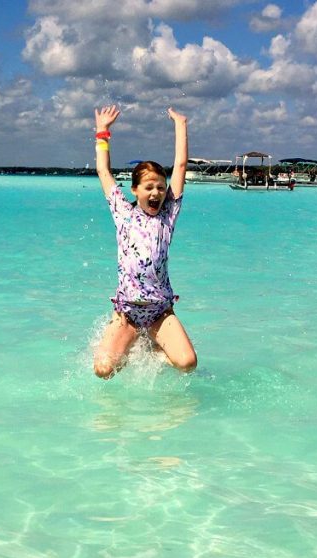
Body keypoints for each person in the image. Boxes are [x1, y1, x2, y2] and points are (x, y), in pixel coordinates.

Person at [91, 104, 197, 379]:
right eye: (149, 187)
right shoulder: (122, 213)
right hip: (127, 313)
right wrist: (102, 132)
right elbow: (103, 172)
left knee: (187, 363)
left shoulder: (168, 216)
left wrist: (180, 125)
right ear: (135, 190)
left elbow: (181, 166)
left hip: (160, 312)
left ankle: (154, 348)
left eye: (161, 187)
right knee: (103, 370)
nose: (156, 192)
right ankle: (134, 343)